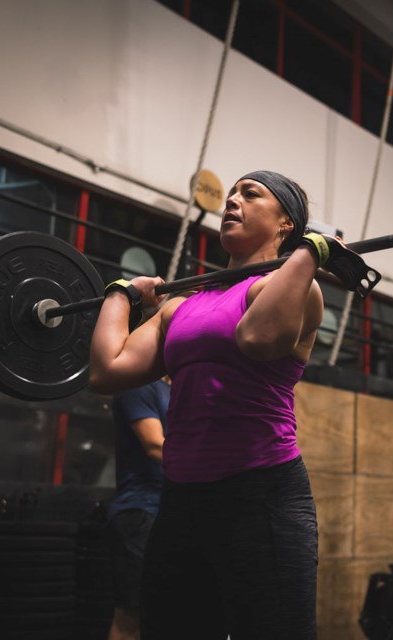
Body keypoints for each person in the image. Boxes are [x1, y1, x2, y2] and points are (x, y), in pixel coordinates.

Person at [89, 170, 357, 639]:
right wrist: (122, 294)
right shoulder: (180, 306)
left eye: (250, 194)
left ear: (284, 224)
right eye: (231, 193)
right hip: (182, 501)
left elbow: (258, 338)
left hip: (262, 496)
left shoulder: (293, 287)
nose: (232, 200)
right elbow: (106, 370)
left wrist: (308, 255)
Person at [107, 376, 170, 640]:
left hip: (171, 512)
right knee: (131, 616)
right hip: (141, 512)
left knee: (167, 613)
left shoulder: (179, 389)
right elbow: (155, 445)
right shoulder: (139, 385)